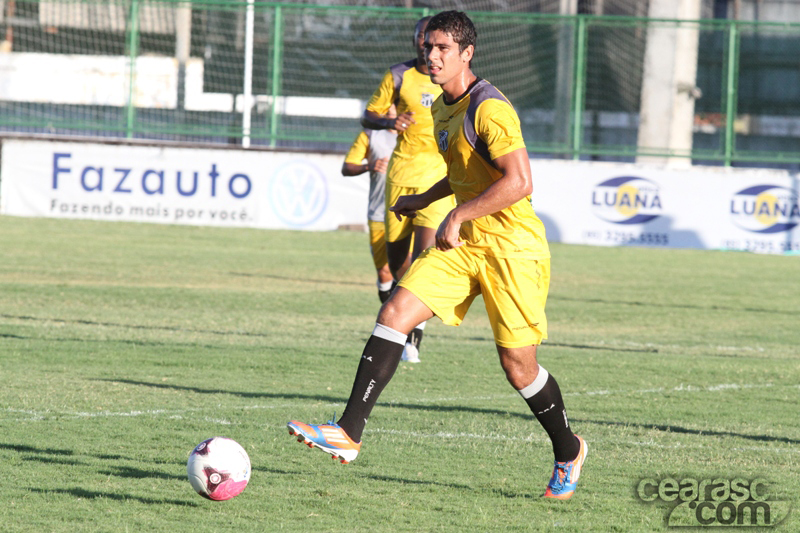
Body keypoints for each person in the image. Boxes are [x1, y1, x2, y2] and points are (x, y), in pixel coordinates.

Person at [288, 10, 588, 500]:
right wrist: (423, 200)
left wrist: (457, 214)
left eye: (443, 48)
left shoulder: (490, 109)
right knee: (395, 312)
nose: (431, 55)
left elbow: (520, 182)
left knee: (518, 366)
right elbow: (462, 172)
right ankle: (347, 431)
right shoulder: (442, 106)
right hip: (465, 245)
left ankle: (568, 448)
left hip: (512, 250)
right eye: (428, 46)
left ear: (467, 53)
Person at [360, 15, 456, 363]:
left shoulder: (452, 79)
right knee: (397, 263)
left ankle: (413, 336)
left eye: (435, 42)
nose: (428, 47)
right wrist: (390, 121)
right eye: (423, 40)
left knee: (424, 259)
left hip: (437, 179)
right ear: (416, 41)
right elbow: (368, 115)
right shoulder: (399, 75)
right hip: (401, 177)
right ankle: (401, 325)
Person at [341, 105, 409, 303]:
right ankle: (388, 308)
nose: (392, 108)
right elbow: (347, 167)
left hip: (409, 214)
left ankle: (402, 316)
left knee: (408, 267)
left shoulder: (418, 134)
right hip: (379, 213)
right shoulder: (370, 135)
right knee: (385, 272)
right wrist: (369, 166)